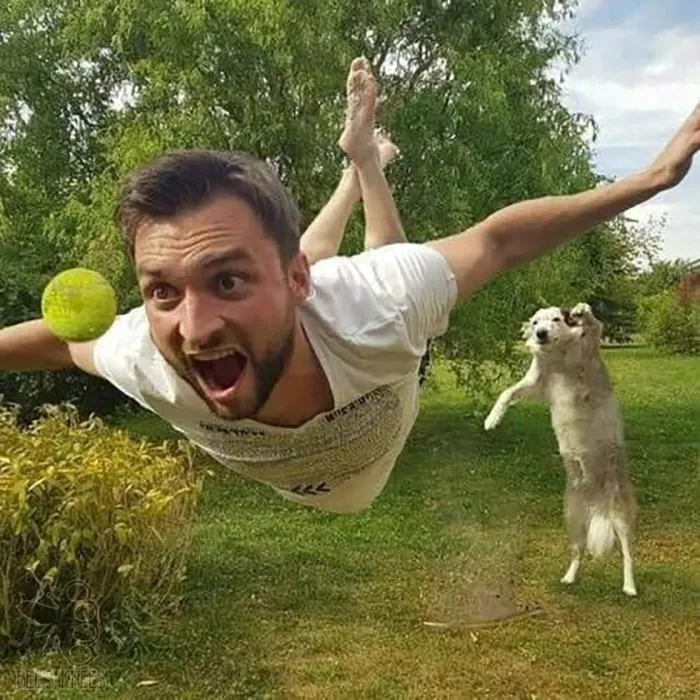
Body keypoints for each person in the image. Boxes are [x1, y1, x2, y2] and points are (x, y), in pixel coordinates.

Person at [0, 58, 698, 514]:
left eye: (226, 281)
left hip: (356, 318)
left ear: (294, 283)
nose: (195, 328)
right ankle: (357, 167)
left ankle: (360, 165)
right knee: (320, 264)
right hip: (318, 296)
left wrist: (652, 179)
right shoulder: (143, 353)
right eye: (162, 291)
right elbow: (59, 344)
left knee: (376, 272)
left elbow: (497, 241)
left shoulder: (378, 308)